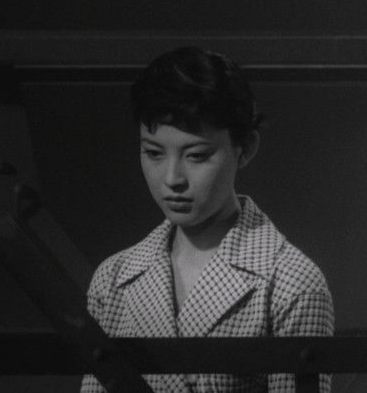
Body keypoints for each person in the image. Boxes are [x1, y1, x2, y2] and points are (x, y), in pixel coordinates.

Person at [81, 47, 334, 393]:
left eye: (197, 156)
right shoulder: (112, 279)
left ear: (245, 148)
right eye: (153, 153)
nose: (172, 178)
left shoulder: (291, 282)